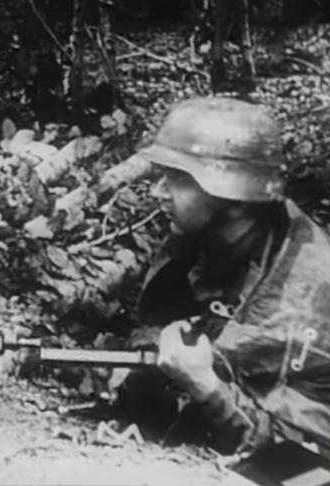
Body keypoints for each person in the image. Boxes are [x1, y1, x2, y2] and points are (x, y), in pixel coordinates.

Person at [129, 97, 330, 454]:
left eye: (178, 178)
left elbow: (307, 465)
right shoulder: (206, 238)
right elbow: (156, 321)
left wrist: (205, 386)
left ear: (234, 196)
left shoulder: (307, 301)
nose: (157, 191)